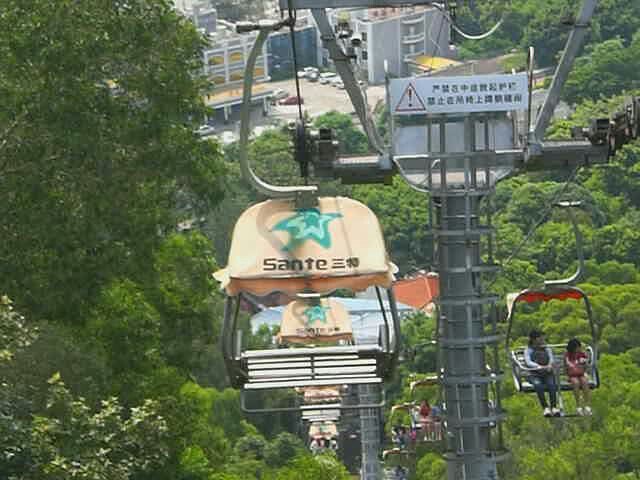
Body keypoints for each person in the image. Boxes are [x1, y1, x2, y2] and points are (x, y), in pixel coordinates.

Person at [525, 329, 560, 417]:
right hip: (534, 374)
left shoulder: (546, 348)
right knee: (538, 385)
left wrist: (549, 365)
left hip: (547, 373)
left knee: (552, 385)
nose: (542, 339)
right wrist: (538, 366)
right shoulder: (529, 350)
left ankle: (554, 407)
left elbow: (551, 358)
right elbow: (528, 362)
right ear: (534, 339)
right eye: (540, 338)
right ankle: (545, 407)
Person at [564, 338, 592, 416]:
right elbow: (567, 363)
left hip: (580, 373)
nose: (578, 349)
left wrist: (584, 361)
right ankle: (578, 405)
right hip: (572, 374)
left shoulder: (581, 353)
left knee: (585, 382)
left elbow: (586, 362)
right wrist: (571, 365)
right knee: (575, 383)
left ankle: (587, 405)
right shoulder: (567, 354)